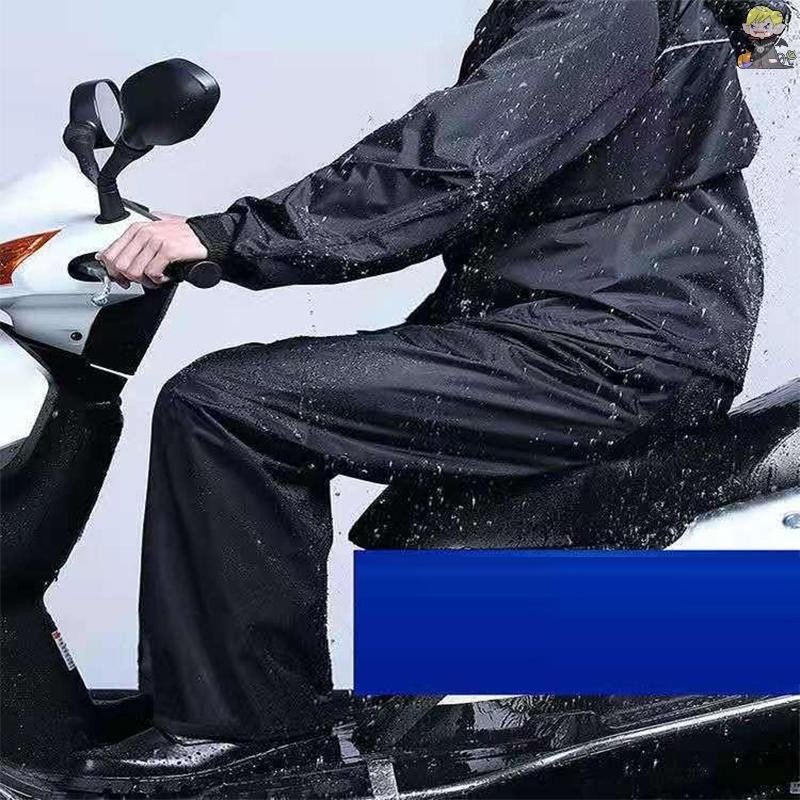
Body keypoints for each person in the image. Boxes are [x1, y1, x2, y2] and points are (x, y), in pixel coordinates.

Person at [72, 0, 765, 787]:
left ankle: (244, 734)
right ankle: (322, 736)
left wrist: (230, 236)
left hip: (610, 341)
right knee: (406, 518)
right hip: (611, 324)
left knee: (224, 407)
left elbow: (459, 158)